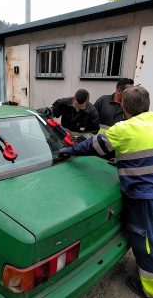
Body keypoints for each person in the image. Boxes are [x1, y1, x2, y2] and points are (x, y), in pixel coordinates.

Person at [59, 86, 153, 298]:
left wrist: (69, 150)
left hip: (144, 197)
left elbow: (93, 146)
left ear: (124, 108)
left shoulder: (123, 130)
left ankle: (149, 289)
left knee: (144, 242)